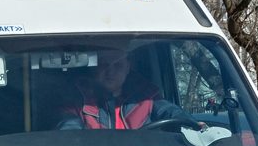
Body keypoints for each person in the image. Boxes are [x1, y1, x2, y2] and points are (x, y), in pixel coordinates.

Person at [56, 47, 192, 130]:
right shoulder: (76, 102)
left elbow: (172, 113)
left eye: (118, 66)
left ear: (128, 67)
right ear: (94, 68)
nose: (110, 72)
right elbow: (68, 132)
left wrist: (193, 125)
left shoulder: (147, 98)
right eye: (105, 66)